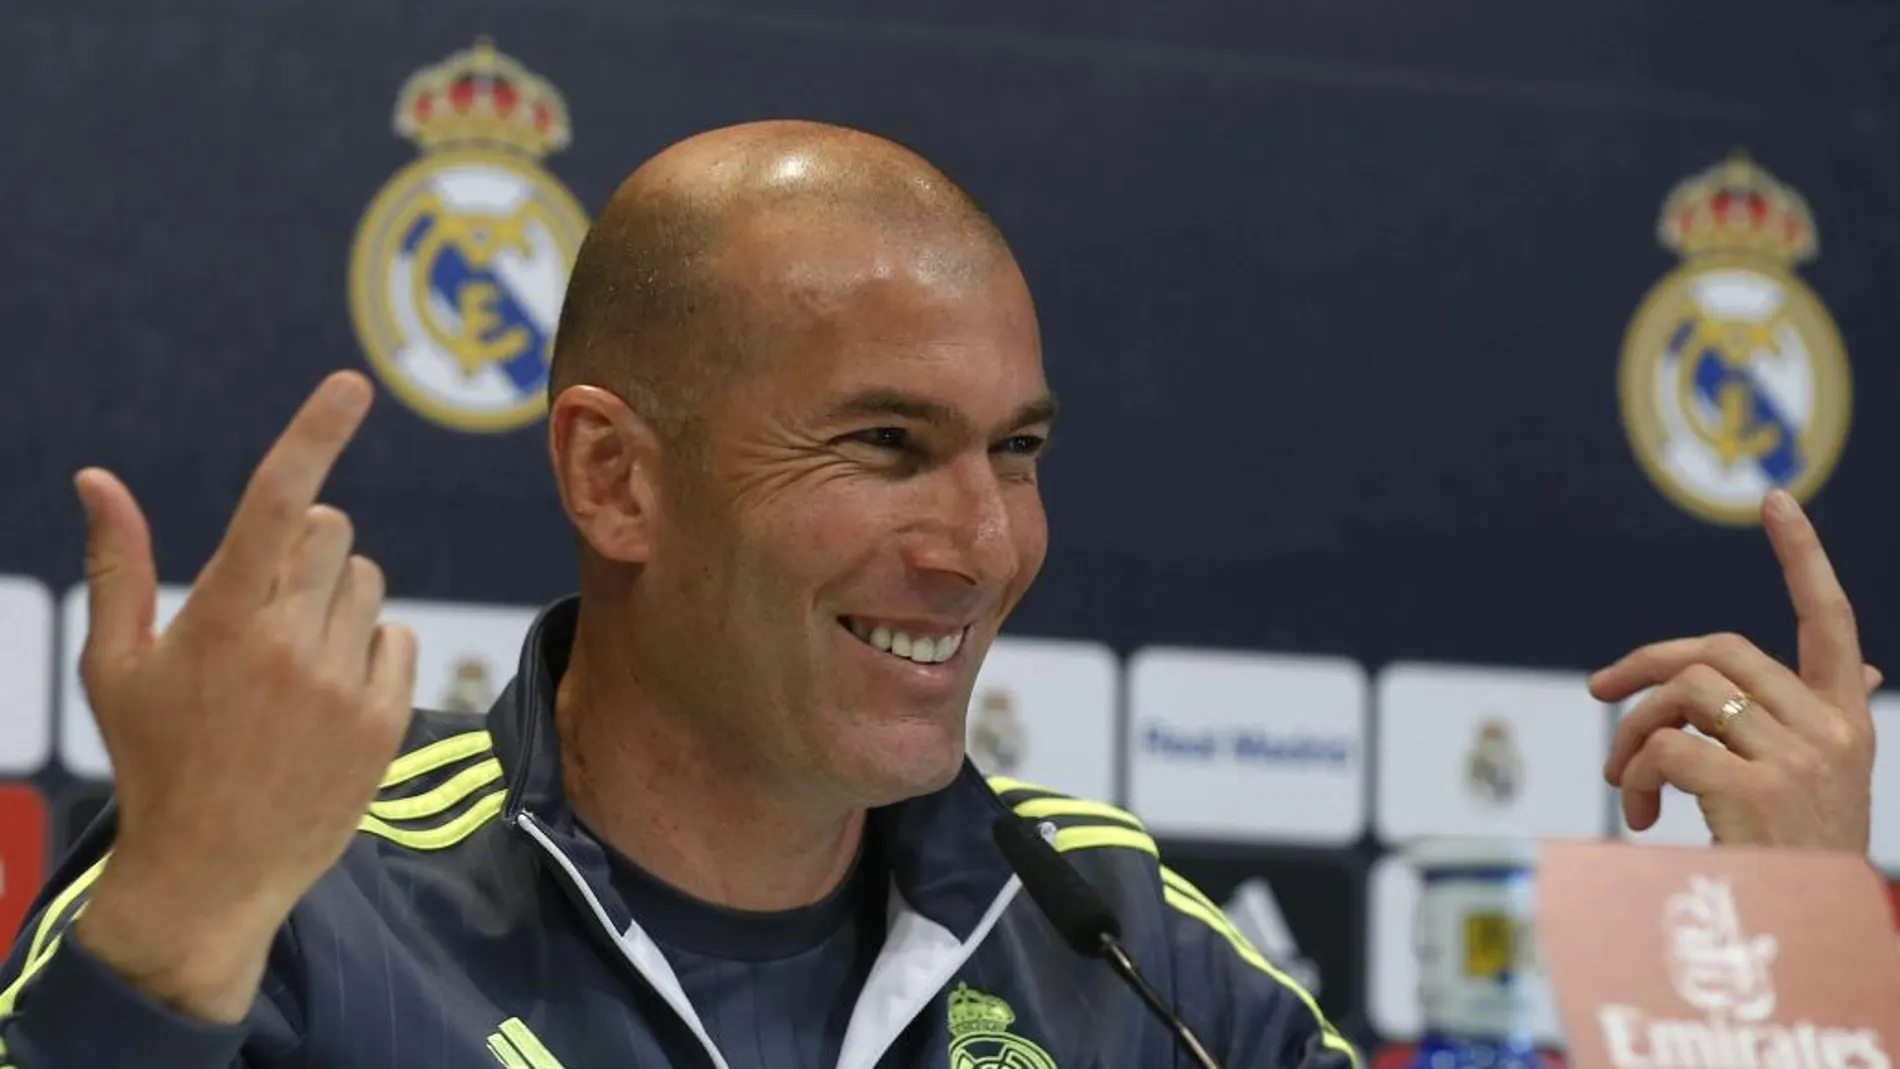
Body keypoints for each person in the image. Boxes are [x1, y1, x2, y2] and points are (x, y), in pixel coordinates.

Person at [0, 121, 1877, 1069]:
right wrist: (170, 932)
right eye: (886, 448)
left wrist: (1788, 954)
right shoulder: (306, 903)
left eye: (1021, 451)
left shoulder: (1126, 949)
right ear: (611, 475)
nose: (980, 541)